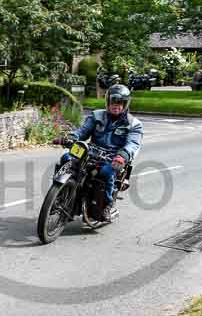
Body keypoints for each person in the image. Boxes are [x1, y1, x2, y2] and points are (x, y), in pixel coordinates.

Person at [55, 84, 144, 222]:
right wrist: (71, 138)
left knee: (107, 172)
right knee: (67, 157)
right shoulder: (97, 115)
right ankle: (59, 193)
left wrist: (122, 156)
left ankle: (108, 205)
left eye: (120, 103)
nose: (116, 105)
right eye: (113, 101)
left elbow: (133, 144)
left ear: (126, 104)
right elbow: (83, 131)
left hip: (113, 157)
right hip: (91, 151)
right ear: (108, 101)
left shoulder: (134, 124)